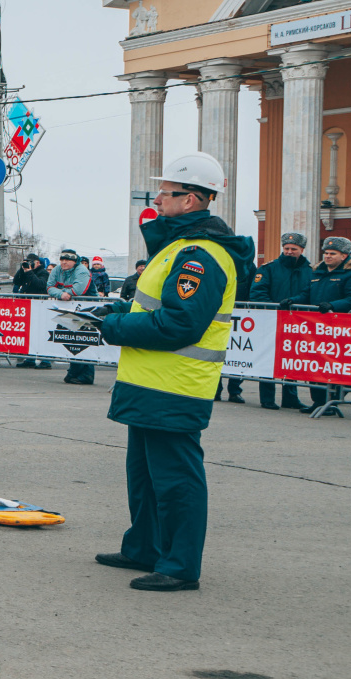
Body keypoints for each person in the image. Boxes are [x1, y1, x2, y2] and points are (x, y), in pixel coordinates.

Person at [90, 153, 252, 592]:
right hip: (150, 382)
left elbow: (182, 323)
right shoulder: (179, 247)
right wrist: (120, 310)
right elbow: (156, 307)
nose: (158, 197)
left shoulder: (202, 255)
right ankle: (143, 547)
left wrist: (116, 326)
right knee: (143, 474)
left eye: (168, 192)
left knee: (175, 479)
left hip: (175, 386)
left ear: (192, 200)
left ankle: (179, 565)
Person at [246, 231, 313, 409]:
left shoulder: (310, 271)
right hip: (271, 321)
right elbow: (258, 294)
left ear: (302, 249)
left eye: (293, 249)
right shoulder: (268, 269)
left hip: (298, 322)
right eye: (286, 248)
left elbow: (310, 295)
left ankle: (290, 397)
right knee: (268, 359)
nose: (289, 251)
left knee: (292, 358)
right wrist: (275, 310)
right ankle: (267, 398)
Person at [302, 236, 351, 413]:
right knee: (314, 363)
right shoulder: (317, 273)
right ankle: (318, 401)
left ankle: (333, 401)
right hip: (317, 327)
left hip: (340, 328)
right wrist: (291, 301)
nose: (328, 256)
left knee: (334, 364)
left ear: (344, 256)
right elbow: (306, 295)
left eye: (332, 253)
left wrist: (333, 306)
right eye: (326, 253)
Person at [49, 249, 99, 386]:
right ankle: (74, 372)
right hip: (71, 308)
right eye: (62, 259)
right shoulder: (57, 270)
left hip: (88, 309)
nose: (64, 262)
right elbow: (49, 287)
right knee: (73, 340)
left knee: (84, 341)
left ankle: (86, 375)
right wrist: (62, 294)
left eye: (68, 260)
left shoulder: (82, 271)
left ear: (74, 261)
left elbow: (78, 291)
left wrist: (60, 292)